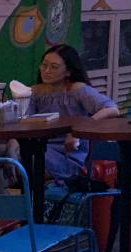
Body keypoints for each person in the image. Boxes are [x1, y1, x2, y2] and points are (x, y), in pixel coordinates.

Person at [31, 44, 120, 181]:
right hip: (39, 147)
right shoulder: (33, 92)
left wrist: (77, 131)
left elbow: (111, 108)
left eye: (54, 67)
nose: (47, 71)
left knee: (28, 159)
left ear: (68, 71)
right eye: (44, 65)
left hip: (67, 155)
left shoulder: (76, 90)